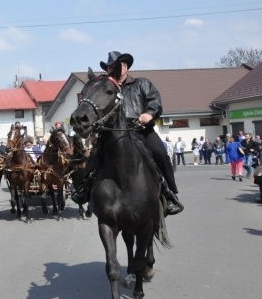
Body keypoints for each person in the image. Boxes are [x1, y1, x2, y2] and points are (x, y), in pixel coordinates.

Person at [71, 51, 184, 216]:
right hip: (112, 133)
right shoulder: (103, 87)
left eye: (116, 65)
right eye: (110, 66)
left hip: (140, 130)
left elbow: (155, 102)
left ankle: (170, 193)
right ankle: (85, 190)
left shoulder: (142, 83)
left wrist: (149, 114)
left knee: (160, 153)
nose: (113, 69)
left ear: (125, 66)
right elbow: (98, 110)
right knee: (95, 156)